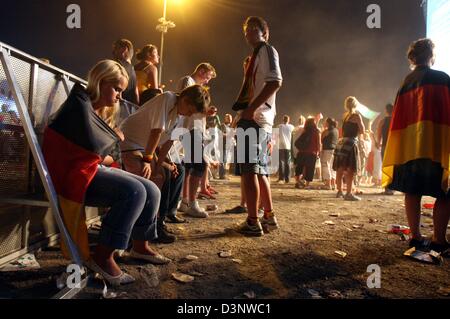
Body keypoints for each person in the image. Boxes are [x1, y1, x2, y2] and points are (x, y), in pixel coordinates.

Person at [42, 60, 170, 287]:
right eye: (116, 88)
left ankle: (139, 246)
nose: (120, 95)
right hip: (75, 174)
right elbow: (93, 151)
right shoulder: (79, 105)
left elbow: (103, 153)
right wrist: (112, 140)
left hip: (92, 168)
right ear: (100, 82)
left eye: (122, 90)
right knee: (134, 192)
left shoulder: (102, 113)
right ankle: (103, 256)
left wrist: (110, 145)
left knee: (151, 190)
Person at [382, 38, 450, 254]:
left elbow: (399, 120)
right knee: (445, 192)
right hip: (436, 145)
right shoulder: (442, 79)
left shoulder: (406, 82)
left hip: (410, 148)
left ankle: (416, 236)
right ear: (431, 55)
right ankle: (439, 238)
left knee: (412, 191)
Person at [120, 85, 211, 240]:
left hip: (145, 146)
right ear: (185, 99)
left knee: (164, 174)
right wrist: (149, 161)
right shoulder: (167, 98)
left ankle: (157, 224)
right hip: (129, 141)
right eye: (190, 110)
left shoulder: (182, 115)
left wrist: (161, 165)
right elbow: (156, 131)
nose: (189, 115)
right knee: (148, 175)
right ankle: (134, 229)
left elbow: (168, 141)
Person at [232, 16, 282, 236]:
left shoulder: (266, 50)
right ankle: (268, 217)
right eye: (246, 30)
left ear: (264, 32)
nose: (248, 33)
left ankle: (252, 222)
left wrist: (251, 108)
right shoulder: (256, 55)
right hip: (258, 119)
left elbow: (275, 81)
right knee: (260, 171)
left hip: (256, 119)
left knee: (249, 170)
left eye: (253, 29)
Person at [177, 63, 217, 216]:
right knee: (199, 165)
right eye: (207, 77)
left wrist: (207, 112)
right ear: (201, 71)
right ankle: (192, 202)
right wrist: (205, 110)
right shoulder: (188, 81)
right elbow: (186, 103)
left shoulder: (195, 85)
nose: (207, 81)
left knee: (189, 167)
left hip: (195, 128)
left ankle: (185, 201)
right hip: (190, 128)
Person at [333, 96, 365, 201]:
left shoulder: (345, 116)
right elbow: (362, 130)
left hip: (342, 142)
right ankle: (348, 193)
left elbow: (343, 130)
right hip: (351, 143)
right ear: (356, 105)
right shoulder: (356, 116)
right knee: (350, 169)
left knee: (340, 169)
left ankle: (339, 191)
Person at [112, 39, 139, 123]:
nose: (113, 52)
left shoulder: (117, 65)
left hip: (116, 108)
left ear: (125, 49)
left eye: (115, 48)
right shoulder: (133, 70)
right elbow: (136, 93)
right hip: (129, 112)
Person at [294, 118, 321, 188]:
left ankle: (298, 182)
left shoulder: (304, 131)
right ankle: (307, 184)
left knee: (299, 167)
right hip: (312, 153)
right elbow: (318, 143)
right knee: (310, 169)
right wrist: (319, 151)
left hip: (302, 152)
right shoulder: (317, 131)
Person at [376, 103, 394, 195]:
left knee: (385, 166)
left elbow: (379, 135)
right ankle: (393, 187)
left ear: (386, 110)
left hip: (385, 146)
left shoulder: (382, 121)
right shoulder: (396, 120)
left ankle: (387, 188)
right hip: (394, 146)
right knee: (394, 166)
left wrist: (378, 143)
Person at [320, 117, 338, 190]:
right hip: (334, 150)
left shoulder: (326, 131)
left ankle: (328, 184)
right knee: (332, 167)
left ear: (328, 123)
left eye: (325, 122)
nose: (324, 123)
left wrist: (323, 131)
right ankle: (333, 184)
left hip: (327, 150)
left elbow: (321, 139)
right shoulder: (336, 130)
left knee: (325, 166)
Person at [277, 115, 295, 183]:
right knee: (287, 162)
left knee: (281, 162)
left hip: (280, 146)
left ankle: (281, 178)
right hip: (288, 146)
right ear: (288, 120)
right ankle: (287, 178)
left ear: (283, 119)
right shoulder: (291, 127)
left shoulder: (279, 126)